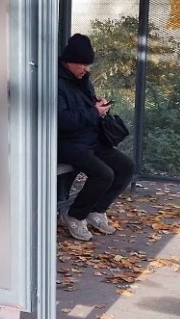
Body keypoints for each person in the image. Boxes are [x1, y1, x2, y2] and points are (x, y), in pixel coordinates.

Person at [57, 33, 135, 242]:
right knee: (104, 174)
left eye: (88, 65)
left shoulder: (82, 80)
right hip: (67, 144)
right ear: (69, 61)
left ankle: (96, 211)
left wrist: (97, 104)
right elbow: (63, 120)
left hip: (90, 140)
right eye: (83, 64)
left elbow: (85, 109)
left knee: (126, 167)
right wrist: (94, 112)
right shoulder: (55, 83)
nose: (87, 69)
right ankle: (75, 215)